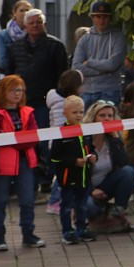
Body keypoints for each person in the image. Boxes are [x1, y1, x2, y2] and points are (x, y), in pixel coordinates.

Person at [0, 75, 44, 250]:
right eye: (13, 90)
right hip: (2, 164)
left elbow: (33, 137)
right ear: (3, 92)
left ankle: (28, 234)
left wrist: (15, 140)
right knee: (0, 200)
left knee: (27, 200)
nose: (17, 93)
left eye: (20, 90)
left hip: (25, 162)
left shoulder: (28, 112)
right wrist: (21, 140)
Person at [82, 100, 134, 234]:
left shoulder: (111, 140)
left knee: (128, 172)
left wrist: (116, 139)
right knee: (89, 208)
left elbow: (124, 163)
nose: (107, 119)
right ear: (93, 118)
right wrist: (91, 190)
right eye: (102, 115)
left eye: (110, 116)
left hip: (106, 186)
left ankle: (118, 210)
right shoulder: (84, 139)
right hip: (85, 188)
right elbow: (75, 172)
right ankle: (95, 212)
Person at [51, 96, 97, 245]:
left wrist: (93, 157)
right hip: (67, 178)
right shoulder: (60, 134)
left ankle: (81, 229)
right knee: (66, 206)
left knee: (82, 205)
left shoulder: (86, 131)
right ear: (65, 113)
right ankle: (67, 231)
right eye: (74, 112)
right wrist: (73, 162)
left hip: (84, 177)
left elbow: (92, 149)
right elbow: (54, 157)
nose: (78, 115)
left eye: (81, 112)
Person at [45, 69, 86, 214]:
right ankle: (54, 201)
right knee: (63, 173)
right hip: (66, 141)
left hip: (53, 138)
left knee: (60, 172)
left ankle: (58, 200)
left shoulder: (52, 97)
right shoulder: (71, 104)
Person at [72, 0, 127, 105]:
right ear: (92, 18)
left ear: (110, 18)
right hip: (87, 91)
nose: (102, 20)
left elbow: (112, 65)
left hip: (110, 91)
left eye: (105, 17)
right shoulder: (84, 39)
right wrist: (101, 71)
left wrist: (89, 62)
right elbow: (76, 67)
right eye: (98, 17)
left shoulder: (118, 37)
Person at [0, 0, 32, 76]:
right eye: (21, 10)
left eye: (27, 11)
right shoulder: (4, 34)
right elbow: (3, 62)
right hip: (12, 75)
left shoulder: (33, 32)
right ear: (14, 13)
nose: (24, 13)